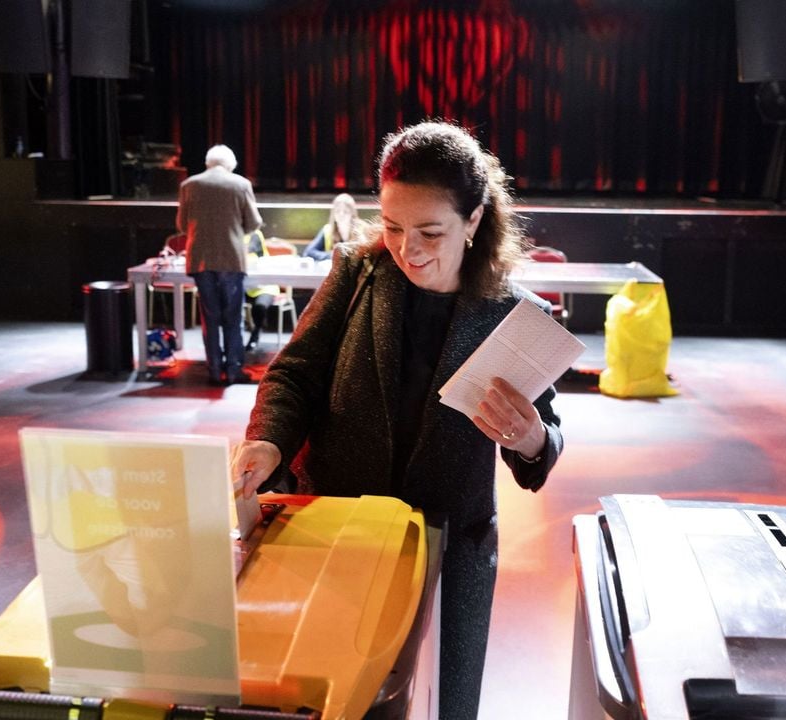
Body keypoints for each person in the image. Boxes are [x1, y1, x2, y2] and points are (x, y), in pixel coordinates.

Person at [231, 121, 563, 719]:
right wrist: (269, 441)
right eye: (392, 227)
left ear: (475, 219)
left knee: (442, 703)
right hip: (338, 528)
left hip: (447, 546)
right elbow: (295, 373)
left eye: (430, 231)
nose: (408, 250)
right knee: (329, 696)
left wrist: (532, 438)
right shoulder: (357, 274)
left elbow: (540, 439)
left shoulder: (515, 315)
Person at [177, 144, 261, 385]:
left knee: (209, 317)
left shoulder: (188, 186)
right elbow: (254, 223)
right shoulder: (240, 184)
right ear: (231, 164)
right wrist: (236, 231)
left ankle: (214, 369)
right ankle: (233, 370)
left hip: (200, 259)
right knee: (233, 317)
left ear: (207, 163)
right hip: (231, 259)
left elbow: (182, 225)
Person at [243, 230, 281, 352]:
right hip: (244, 285)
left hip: (265, 286)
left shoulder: (255, 234)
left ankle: (256, 333)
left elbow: (250, 249)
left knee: (259, 307)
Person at [301, 192, 366, 261]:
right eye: (337, 211)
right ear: (333, 214)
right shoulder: (327, 230)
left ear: (352, 214)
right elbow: (309, 252)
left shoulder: (362, 229)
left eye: (345, 211)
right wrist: (332, 255)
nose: (341, 214)